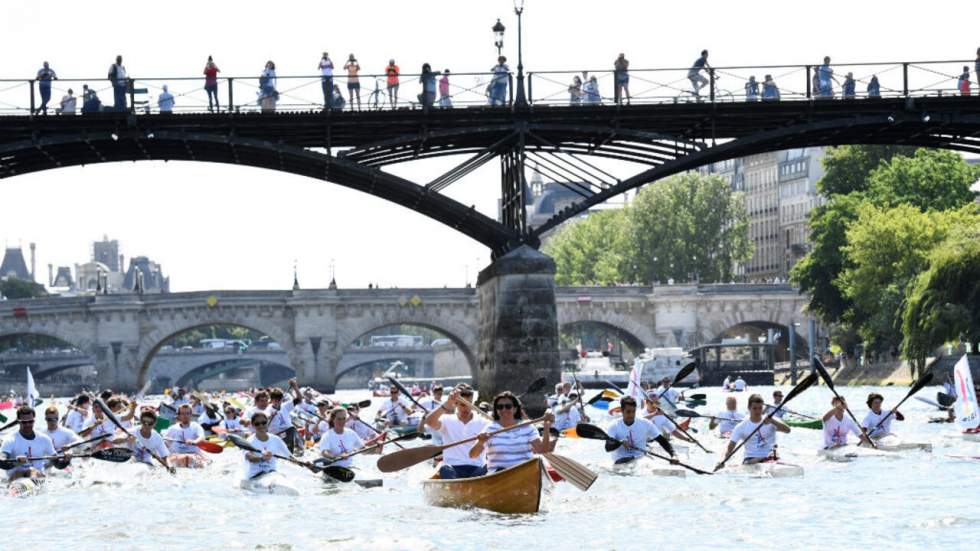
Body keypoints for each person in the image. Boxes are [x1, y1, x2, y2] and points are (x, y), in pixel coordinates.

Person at [471, 391, 554, 472]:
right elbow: (473, 455)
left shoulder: (527, 426)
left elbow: (543, 451)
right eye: (500, 407)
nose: (504, 409)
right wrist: (480, 442)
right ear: (496, 410)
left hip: (524, 474)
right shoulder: (490, 428)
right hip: (498, 477)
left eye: (508, 406)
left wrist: (546, 427)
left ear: (515, 409)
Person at [425, 384, 490, 479]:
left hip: (477, 468)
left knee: (489, 467)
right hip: (452, 468)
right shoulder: (447, 420)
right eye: (463, 405)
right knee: (445, 469)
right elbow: (429, 422)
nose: (466, 408)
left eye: (469, 404)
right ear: (455, 404)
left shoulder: (484, 422)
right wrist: (447, 403)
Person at [718, 393, 790, 467]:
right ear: (749, 408)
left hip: (771, 458)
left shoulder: (771, 420)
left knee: (772, 456)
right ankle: (764, 458)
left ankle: (768, 458)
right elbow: (729, 449)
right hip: (750, 460)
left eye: (760, 408)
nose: (758, 411)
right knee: (758, 460)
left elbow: (788, 430)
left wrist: (772, 421)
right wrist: (721, 462)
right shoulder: (741, 426)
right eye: (755, 408)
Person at [605, 396, 676, 465]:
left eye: (633, 411)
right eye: (628, 412)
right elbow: (607, 448)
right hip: (620, 460)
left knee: (647, 462)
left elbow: (662, 440)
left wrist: (673, 455)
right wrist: (620, 442)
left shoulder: (645, 423)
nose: (631, 415)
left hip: (640, 459)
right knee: (625, 461)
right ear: (622, 411)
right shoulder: (613, 426)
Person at [1, 405, 57, 482]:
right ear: (18, 421)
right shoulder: (10, 439)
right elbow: (2, 461)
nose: (27, 425)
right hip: (16, 477)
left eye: (30, 421)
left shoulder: (44, 439)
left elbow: (58, 465)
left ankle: (32, 482)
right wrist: (16, 462)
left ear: (34, 420)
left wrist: (66, 460)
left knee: (31, 471)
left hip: (37, 475)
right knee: (18, 473)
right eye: (24, 422)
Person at [242, 411, 291, 480]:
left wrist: (306, 464)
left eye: (264, 423)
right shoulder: (249, 441)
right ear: (253, 425)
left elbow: (290, 456)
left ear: (267, 423)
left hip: (272, 474)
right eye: (257, 424)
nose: (261, 426)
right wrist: (262, 458)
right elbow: (250, 458)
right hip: (255, 476)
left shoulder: (276, 439)